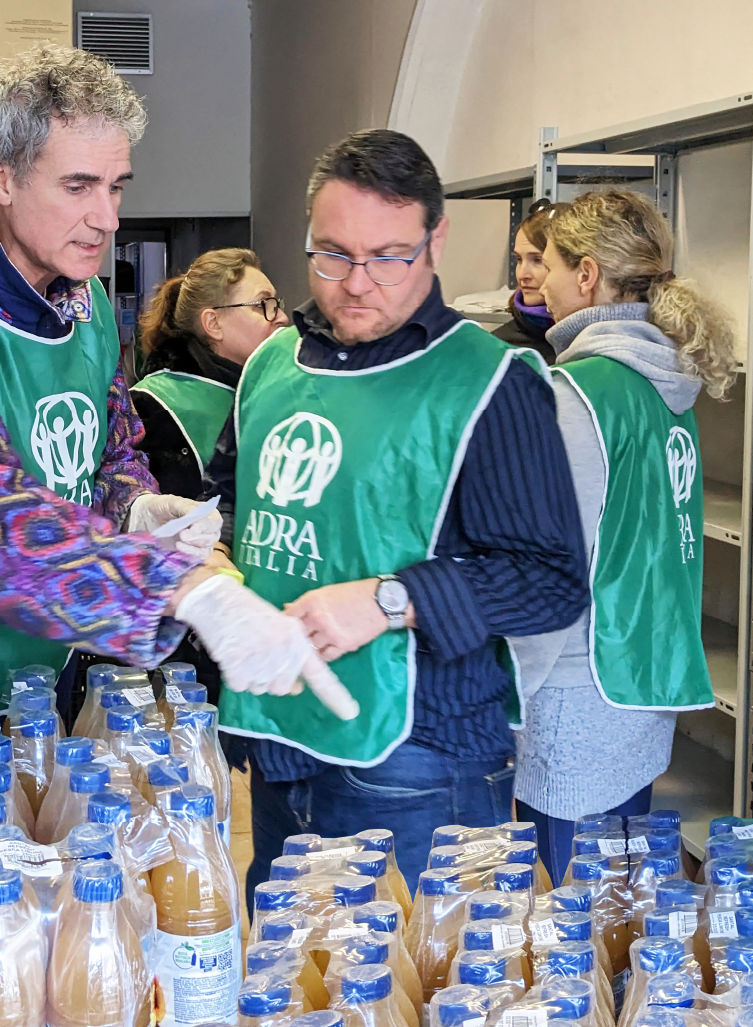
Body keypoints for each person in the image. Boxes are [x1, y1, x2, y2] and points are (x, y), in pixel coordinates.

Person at [0, 43, 354, 732]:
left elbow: (107, 454)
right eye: (79, 186)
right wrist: (182, 589)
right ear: (1, 176)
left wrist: (135, 506)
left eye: (116, 187)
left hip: (30, 689)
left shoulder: (86, 309)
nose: (108, 218)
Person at [200, 129, 590, 897]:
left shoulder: (490, 382)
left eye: (387, 257)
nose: (354, 283)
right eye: (331, 254)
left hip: (420, 762)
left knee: (418, 964)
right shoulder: (270, 366)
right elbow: (231, 511)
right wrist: (209, 567)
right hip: (279, 742)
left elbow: (549, 582)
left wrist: (389, 599)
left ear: (434, 241)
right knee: (288, 963)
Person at [512, 189, 738, 884]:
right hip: (642, 686)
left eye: (547, 263)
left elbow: (545, 573)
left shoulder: (572, 395)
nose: (537, 281)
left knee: (570, 915)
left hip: (573, 703)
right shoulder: (665, 383)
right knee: (620, 902)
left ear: (586, 276)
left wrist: (504, 693)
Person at [132, 248, 290, 498]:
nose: (282, 317)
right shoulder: (149, 407)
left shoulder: (278, 391)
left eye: (277, 304)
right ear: (214, 324)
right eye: (263, 305)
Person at [493, 200, 571, 365]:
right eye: (519, 259)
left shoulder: (597, 340)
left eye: (537, 260)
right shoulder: (498, 347)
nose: (522, 275)